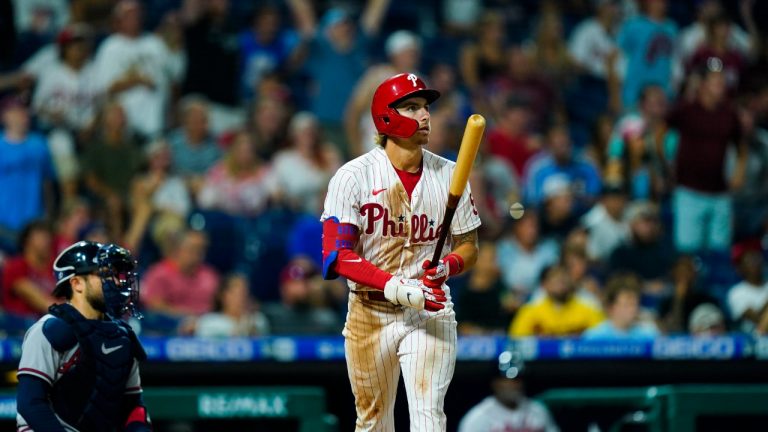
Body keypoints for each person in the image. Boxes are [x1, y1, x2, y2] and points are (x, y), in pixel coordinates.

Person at [321, 73, 481, 430]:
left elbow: (470, 246)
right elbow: (337, 255)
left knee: (428, 419)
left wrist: (449, 266)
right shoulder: (353, 176)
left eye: (426, 108)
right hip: (371, 310)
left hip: (430, 310)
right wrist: (394, 287)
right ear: (386, 117)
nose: (425, 116)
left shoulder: (450, 174)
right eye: (412, 107)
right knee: (374, 423)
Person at [15, 240, 151, 431]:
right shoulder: (49, 330)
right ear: (77, 283)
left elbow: (134, 406)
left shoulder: (123, 337)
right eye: (105, 274)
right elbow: (30, 404)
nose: (115, 281)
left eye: (115, 274)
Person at [458, 352, 559, 432]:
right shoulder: (478, 418)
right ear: (495, 383)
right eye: (508, 379)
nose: (515, 384)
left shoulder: (538, 412)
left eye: (518, 379)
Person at [510, 264, 604, 337]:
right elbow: (516, 341)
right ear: (545, 284)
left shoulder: (588, 308)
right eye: (554, 278)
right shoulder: (531, 310)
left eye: (563, 278)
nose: (560, 282)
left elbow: (605, 339)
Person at [583, 272, 659, 339]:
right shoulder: (594, 337)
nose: (632, 309)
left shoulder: (649, 335)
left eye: (634, 304)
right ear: (611, 307)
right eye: (626, 304)